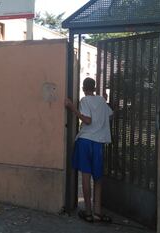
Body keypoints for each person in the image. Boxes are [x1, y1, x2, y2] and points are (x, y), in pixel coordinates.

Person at [65, 78, 113, 223]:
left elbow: (87, 120)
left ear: (83, 88)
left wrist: (73, 108)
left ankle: (88, 212)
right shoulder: (101, 101)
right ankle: (97, 212)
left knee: (86, 176)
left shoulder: (84, 100)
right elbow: (110, 114)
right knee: (97, 178)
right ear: (94, 87)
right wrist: (103, 101)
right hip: (98, 142)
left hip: (86, 141)